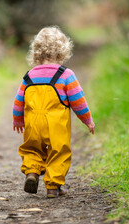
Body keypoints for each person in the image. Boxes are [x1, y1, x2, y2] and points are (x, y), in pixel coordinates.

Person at [12, 26, 95, 198]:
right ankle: (53, 187)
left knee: (32, 149)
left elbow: (18, 101)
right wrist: (87, 120)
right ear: (63, 51)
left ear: (36, 52)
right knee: (59, 152)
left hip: (33, 125)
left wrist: (17, 120)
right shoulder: (66, 75)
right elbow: (78, 101)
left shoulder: (29, 76)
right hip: (56, 125)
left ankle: (32, 173)